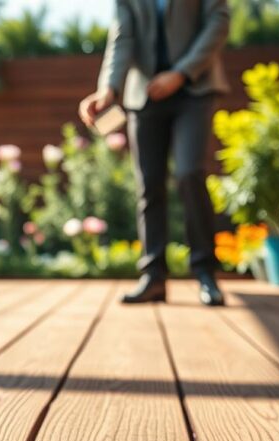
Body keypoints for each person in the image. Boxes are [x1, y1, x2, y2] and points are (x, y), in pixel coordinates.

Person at [79, 0, 230, 306]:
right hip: (144, 95)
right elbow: (122, 37)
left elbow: (218, 22)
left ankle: (205, 273)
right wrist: (109, 88)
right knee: (149, 185)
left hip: (193, 90)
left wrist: (181, 73)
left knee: (190, 174)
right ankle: (153, 277)